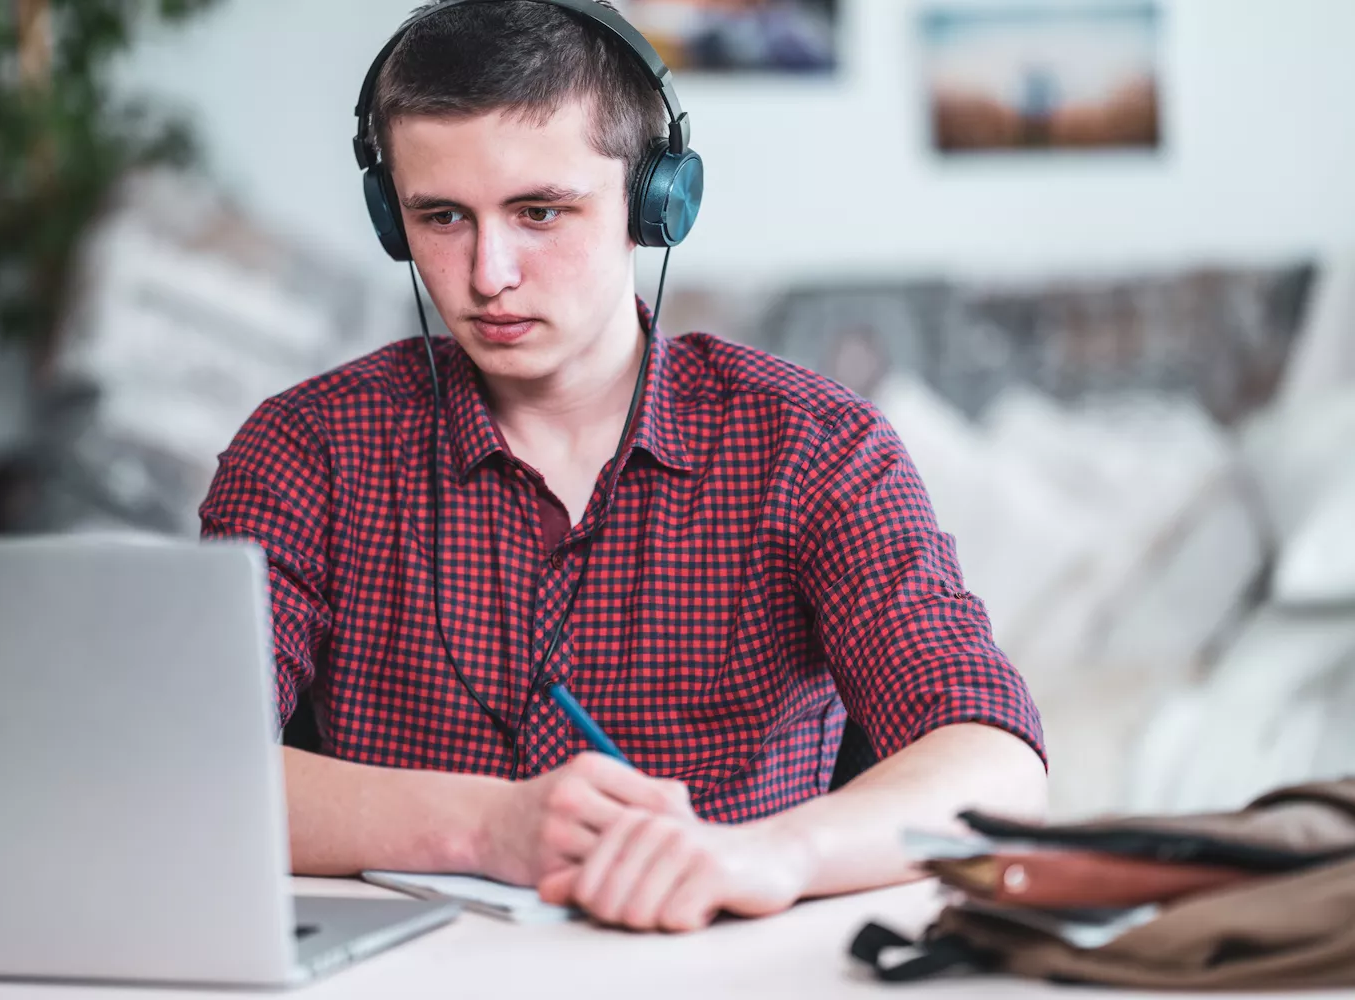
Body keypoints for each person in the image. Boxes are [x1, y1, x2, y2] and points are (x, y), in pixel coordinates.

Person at [200, 0, 1047, 934]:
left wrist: (774, 852)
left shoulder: (814, 446)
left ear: (656, 205)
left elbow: (992, 764)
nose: (489, 274)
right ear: (390, 220)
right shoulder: (304, 451)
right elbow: (187, 769)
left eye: (540, 212)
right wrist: (487, 828)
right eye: (441, 216)